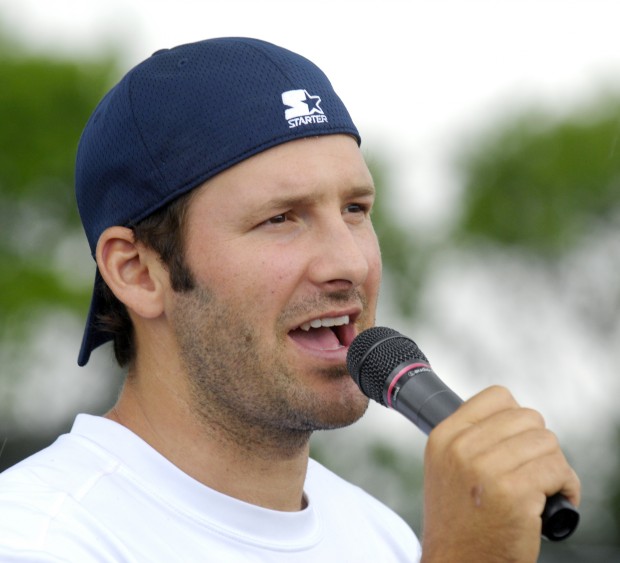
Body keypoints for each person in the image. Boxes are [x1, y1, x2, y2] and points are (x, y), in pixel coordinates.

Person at [0, 37, 579, 562]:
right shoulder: (38, 537)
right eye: (281, 218)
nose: (349, 264)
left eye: (355, 209)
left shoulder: (380, 536)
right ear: (138, 272)